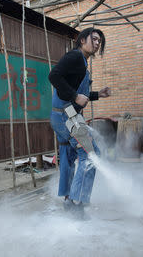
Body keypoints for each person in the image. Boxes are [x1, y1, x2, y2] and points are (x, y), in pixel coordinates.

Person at [48, 27, 111, 218]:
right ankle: (77, 203)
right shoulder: (75, 57)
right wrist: (75, 96)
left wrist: (97, 94)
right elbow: (53, 76)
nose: (98, 43)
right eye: (94, 39)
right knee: (91, 154)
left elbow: (78, 94)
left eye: (100, 41)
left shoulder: (82, 61)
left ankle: (68, 199)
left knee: (67, 155)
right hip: (68, 117)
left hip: (61, 116)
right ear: (82, 40)